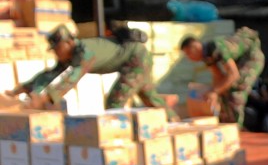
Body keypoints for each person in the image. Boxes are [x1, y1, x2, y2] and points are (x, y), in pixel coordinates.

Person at [5, 24, 177, 120]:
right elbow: (50, 74)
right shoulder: (69, 55)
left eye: (57, 48)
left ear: (68, 43)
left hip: (136, 59)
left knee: (114, 105)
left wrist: (45, 99)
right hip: (136, 58)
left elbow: (73, 78)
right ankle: (175, 122)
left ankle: (117, 140)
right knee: (150, 97)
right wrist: (19, 90)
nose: (56, 52)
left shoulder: (85, 52)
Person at [180, 27, 265, 126]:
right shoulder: (207, 56)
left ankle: (235, 127)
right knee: (223, 92)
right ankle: (226, 123)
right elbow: (218, 77)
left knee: (236, 90)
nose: (189, 58)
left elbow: (234, 75)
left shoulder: (217, 49)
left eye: (188, 53)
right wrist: (215, 94)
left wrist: (214, 91)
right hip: (240, 61)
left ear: (195, 47)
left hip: (252, 58)